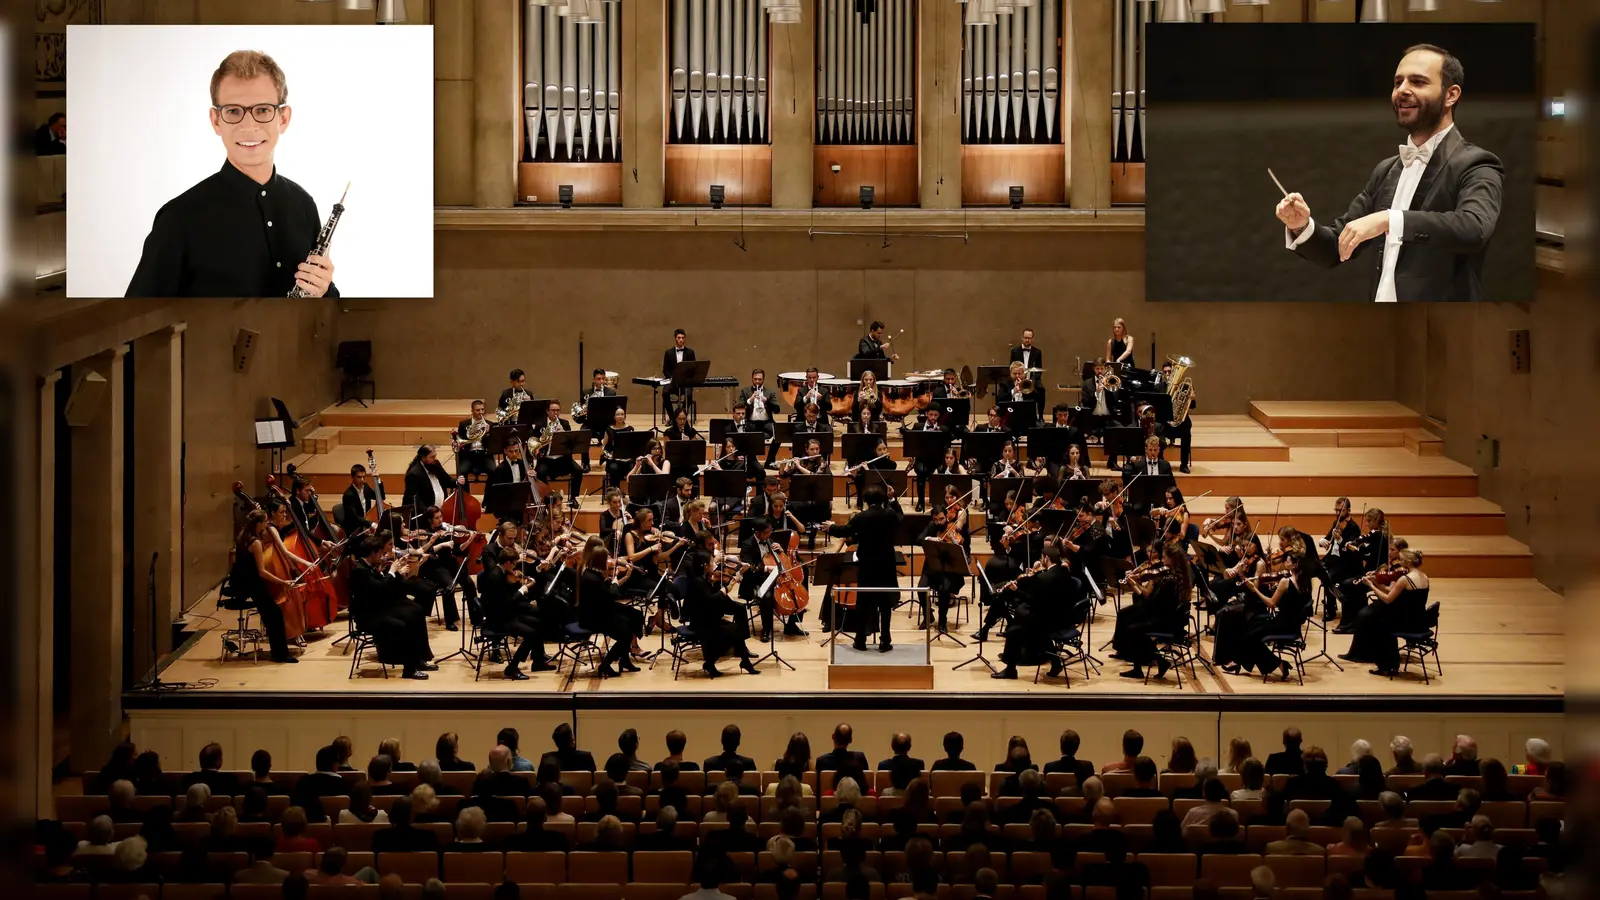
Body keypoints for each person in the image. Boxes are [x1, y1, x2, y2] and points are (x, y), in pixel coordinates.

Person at [1277, 44, 1504, 303]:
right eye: (1398, 82)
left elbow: (1474, 228)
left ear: (1451, 95)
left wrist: (1389, 220)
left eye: (1418, 82)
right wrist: (1302, 226)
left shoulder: (1477, 164)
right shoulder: (1387, 170)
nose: (1402, 90)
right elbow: (1336, 248)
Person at [126, 51, 337, 298]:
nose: (248, 126)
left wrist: (325, 291)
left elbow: (323, 318)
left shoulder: (303, 205)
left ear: (283, 118)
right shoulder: (178, 219)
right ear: (216, 121)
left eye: (262, 110)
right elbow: (137, 322)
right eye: (234, 111)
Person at [821, 484, 903, 652]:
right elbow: (901, 517)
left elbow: (845, 531)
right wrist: (893, 500)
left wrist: (831, 527)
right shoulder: (890, 515)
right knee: (885, 605)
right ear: (883, 499)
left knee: (864, 603)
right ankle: (885, 641)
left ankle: (860, 640)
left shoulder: (862, 517)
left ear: (866, 501)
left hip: (867, 565)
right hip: (887, 565)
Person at [348, 533, 437, 679]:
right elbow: (378, 588)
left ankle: (420, 659)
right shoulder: (359, 570)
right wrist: (391, 572)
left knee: (416, 611)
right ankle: (409, 669)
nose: (382, 556)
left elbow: (384, 587)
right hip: (368, 615)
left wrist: (397, 573)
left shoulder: (369, 566)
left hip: (379, 607)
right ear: (373, 553)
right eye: (380, 553)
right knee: (405, 623)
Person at [1340, 549, 1431, 675]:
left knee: (1378, 624)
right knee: (1381, 619)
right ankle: (1389, 661)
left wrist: (1371, 586)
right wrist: (1376, 582)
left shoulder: (1404, 579)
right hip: (1420, 620)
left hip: (1406, 622)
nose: (1400, 562)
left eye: (1402, 559)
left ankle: (1387, 666)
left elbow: (1388, 599)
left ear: (1407, 562)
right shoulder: (1425, 577)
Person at [1111, 542, 1190, 679]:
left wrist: (1135, 585)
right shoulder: (1173, 575)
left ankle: (1140, 668)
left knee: (1133, 628)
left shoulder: (1170, 580)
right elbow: (1154, 601)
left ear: (1172, 559)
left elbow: (1151, 602)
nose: (1162, 560)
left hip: (1166, 620)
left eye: (1165, 557)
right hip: (1164, 614)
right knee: (1130, 620)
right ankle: (1158, 662)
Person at [230, 509, 297, 663]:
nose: (267, 524)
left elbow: (234, 557)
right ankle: (280, 654)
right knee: (275, 615)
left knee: (271, 615)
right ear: (259, 523)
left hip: (240, 581)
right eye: (265, 521)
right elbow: (261, 571)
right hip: (253, 584)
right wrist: (283, 582)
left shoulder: (242, 536)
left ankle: (278, 652)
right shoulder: (255, 543)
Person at [479, 547, 556, 679]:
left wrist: (521, 585)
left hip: (507, 613)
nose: (515, 566)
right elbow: (507, 602)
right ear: (508, 562)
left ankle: (538, 662)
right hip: (499, 619)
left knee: (538, 623)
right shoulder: (495, 577)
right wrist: (522, 589)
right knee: (531, 634)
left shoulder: (502, 573)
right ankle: (512, 667)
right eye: (514, 563)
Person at [661, 329, 697, 423]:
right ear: (675, 339)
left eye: (683, 338)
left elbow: (693, 368)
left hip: (685, 382)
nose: (681, 340)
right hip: (673, 382)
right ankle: (673, 418)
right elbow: (665, 369)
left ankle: (683, 416)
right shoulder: (668, 353)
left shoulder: (690, 352)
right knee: (665, 393)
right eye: (679, 338)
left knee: (689, 394)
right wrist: (673, 378)